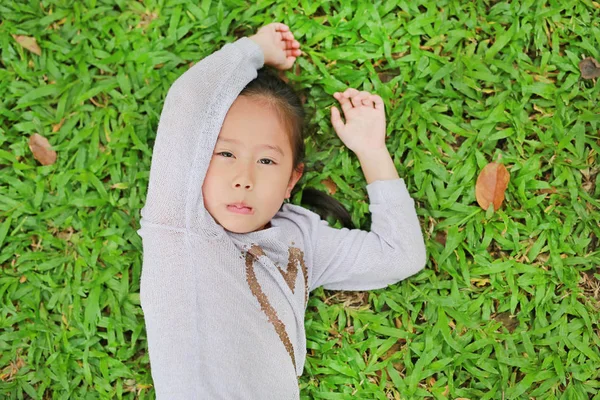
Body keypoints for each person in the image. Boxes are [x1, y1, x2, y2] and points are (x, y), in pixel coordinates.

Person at [137, 22, 427, 399]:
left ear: (293, 179)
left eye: (267, 162)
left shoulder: (302, 241)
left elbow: (399, 254)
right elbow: (190, 99)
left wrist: (371, 150)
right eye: (225, 154)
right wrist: (255, 49)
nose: (244, 178)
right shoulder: (180, 222)